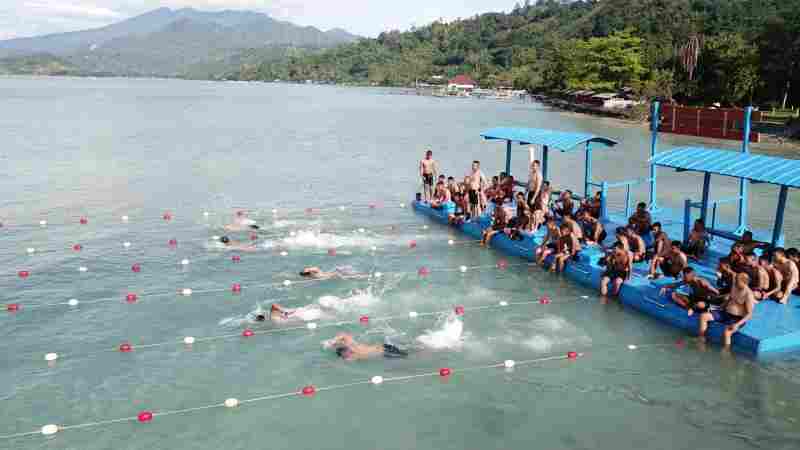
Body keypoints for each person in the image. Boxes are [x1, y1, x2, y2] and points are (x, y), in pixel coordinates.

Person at [700, 273, 755, 348]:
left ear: (745, 282)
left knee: (727, 332)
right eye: (736, 280)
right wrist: (721, 307)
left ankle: (725, 351)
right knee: (704, 316)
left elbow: (750, 314)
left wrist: (737, 324)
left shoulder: (748, 294)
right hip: (725, 313)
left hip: (736, 318)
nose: (735, 282)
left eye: (737, 281)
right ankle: (701, 339)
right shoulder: (735, 286)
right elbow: (730, 298)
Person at [328, 333, 408, 360]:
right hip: (385, 354)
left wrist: (333, 341)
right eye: (344, 356)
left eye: (345, 354)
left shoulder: (354, 346)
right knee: (406, 355)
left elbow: (344, 335)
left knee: (408, 354)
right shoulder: (351, 357)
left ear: (345, 350)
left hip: (386, 349)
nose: (346, 355)